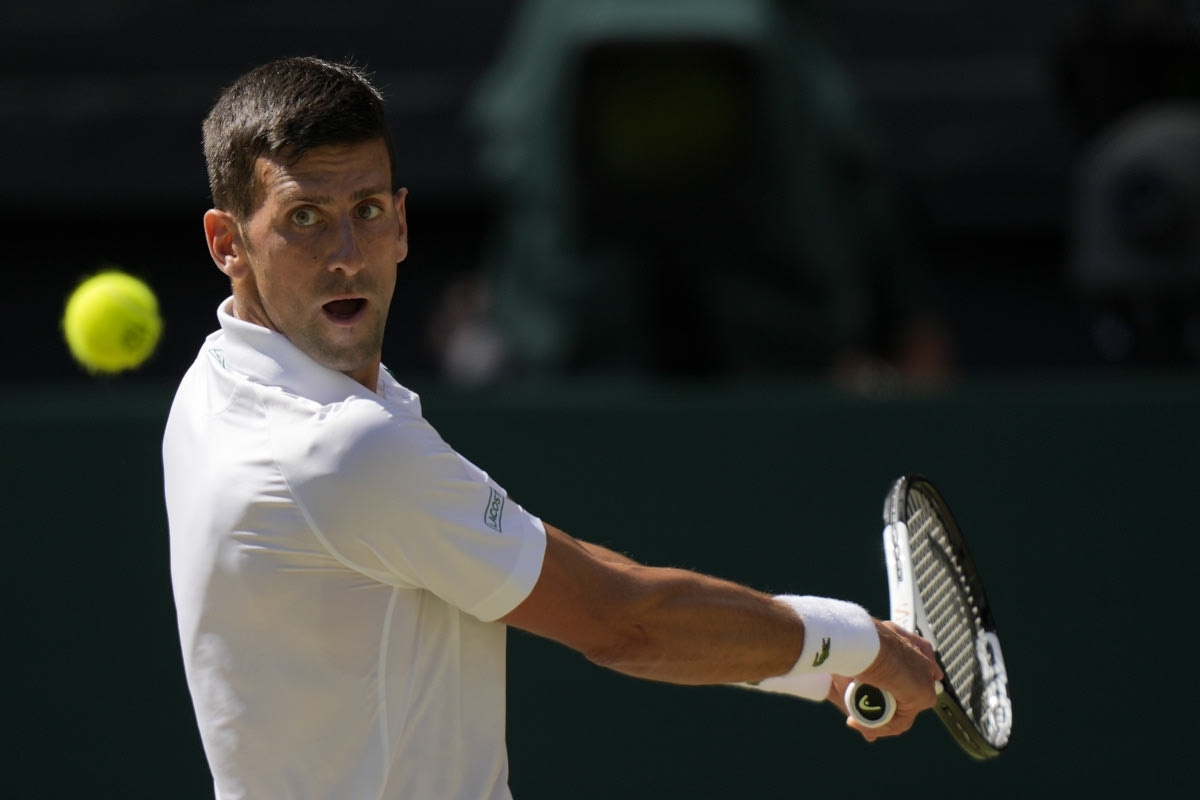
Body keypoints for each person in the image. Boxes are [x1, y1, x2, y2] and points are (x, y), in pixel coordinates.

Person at [162, 56, 942, 800]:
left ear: (400, 224)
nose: (346, 256)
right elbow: (623, 621)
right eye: (303, 218)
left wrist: (814, 670)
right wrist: (859, 642)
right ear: (228, 243)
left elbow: (552, 562)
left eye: (365, 211)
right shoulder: (341, 449)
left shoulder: (214, 386)